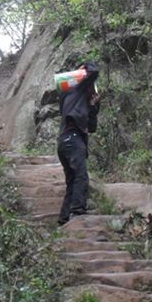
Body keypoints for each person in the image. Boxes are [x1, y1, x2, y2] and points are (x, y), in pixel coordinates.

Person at [57, 60, 100, 225]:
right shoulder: (74, 91)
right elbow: (94, 71)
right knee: (81, 176)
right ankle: (77, 213)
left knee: (72, 181)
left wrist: (93, 107)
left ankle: (63, 220)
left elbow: (92, 127)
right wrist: (85, 67)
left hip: (65, 142)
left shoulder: (77, 101)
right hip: (72, 140)